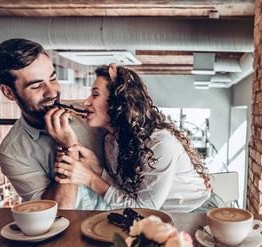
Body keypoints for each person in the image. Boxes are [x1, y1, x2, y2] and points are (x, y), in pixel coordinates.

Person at [51, 63, 226, 212]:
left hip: (199, 212)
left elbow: (143, 209)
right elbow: (126, 194)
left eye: (95, 95)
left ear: (118, 103)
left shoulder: (160, 143)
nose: (86, 102)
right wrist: (97, 168)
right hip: (164, 218)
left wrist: (90, 178)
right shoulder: (110, 141)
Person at [0, 38, 110, 210]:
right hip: (69, 235)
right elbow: (54, 212)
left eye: (52, 79)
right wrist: (69, 148)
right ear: (9, 92)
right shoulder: (12, 153)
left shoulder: (90, 113)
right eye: (37, 86)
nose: (52, 92)